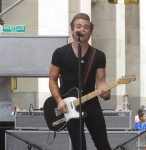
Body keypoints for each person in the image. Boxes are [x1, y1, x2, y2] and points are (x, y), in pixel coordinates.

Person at [49, 13, 111, 150]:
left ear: (90, 32)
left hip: (91, 103)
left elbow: (101, 81)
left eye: (86, 27)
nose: (82, 29)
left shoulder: (98, 55)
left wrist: (105, 92)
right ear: (72, 30)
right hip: (69, 105)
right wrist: (59, 100)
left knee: (103, 144)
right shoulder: (60, 53)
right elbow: (52, 80)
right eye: (78, 26)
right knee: (79, 146)